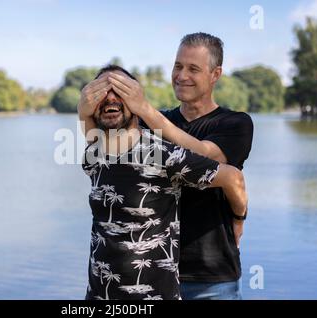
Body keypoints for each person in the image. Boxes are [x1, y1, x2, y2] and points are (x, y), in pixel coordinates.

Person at [78, 33, 254, 300]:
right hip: (157, 274)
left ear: (215, 74)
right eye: (178, 66)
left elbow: (210, 159)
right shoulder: (151, 126)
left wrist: (239, 218)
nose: (181, 75)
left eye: (193, 68)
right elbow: (104, 152)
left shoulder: (235, 124)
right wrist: (84, 112)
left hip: (211, 276)